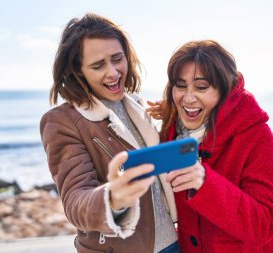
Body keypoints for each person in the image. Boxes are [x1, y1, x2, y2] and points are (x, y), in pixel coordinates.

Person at [40, 13, 180, 253]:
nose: (113, 72)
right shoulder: (62, 122)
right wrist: (112, 198)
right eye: (98, 65)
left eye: (117, 59)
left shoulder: (137, 107)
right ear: (77, 70)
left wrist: (176, 117)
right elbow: (75, 202)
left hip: (174, 242)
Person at [148, 40, 273, 252]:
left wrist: (206, 184)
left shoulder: (256, 135)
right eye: (180, 86)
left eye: (201, 87)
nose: (188, 98)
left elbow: (265, 225)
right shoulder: (172, 131)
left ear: (224, 89)